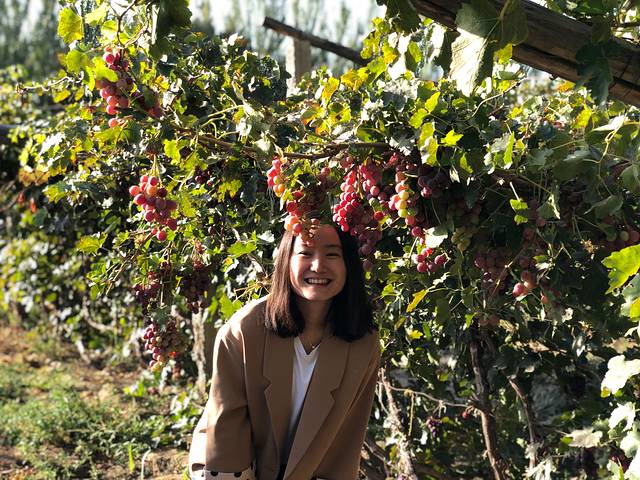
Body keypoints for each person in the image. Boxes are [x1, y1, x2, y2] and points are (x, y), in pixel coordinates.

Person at [188, 222, 380, 479]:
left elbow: (347, 437)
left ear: (349, 265)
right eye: (305, 253)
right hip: (231, 464)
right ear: (286, 261)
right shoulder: (244, 330)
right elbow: (227, 427)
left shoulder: (363, 344)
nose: (318, 266)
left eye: (332, 254)